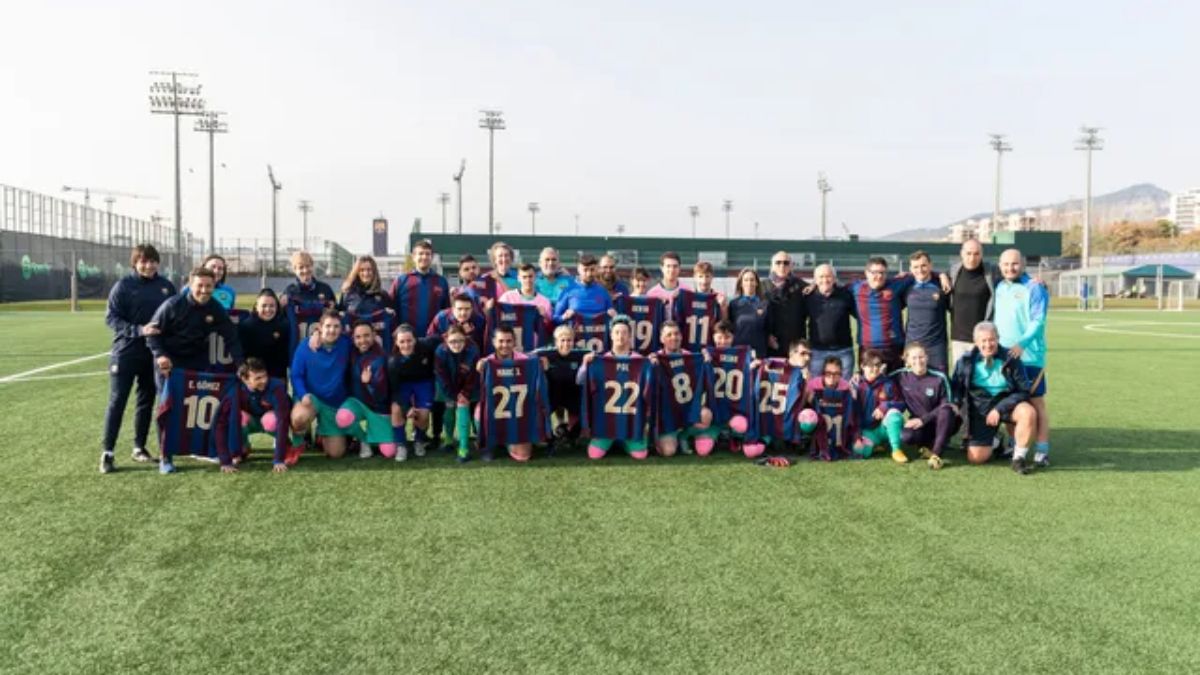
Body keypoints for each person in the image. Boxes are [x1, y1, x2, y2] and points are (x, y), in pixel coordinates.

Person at [99, 244, 177, 474]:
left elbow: (174, 314)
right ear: (135, 263)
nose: (148, 265)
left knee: (146, 401)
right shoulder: (123, 286)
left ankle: (139, 448)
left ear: (158, 263)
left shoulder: (166, 286)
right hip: (125, 353)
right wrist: (138, 330)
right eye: (143, 261)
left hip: (153, 355)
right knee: (117, 401)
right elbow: (111, 318)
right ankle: (108, 452)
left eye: (152, 261)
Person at [950, 321, 1038, 474]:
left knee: (1028, 412)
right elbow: (956, 387)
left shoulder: (1011, 358)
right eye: (983, 340)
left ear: (998, 338)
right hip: (979, 407)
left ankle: (1018, 459)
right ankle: (996, 441)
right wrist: (956, 404)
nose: (988, 344)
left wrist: (999, 408)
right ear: (976, 342)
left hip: (1006, 403)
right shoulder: (965, 360)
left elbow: (1024, 390)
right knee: (976, 458)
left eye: (992, 339)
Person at [993, 248, 1051, 468]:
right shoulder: (999, 286)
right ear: (1000, 265)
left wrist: (1022, 344)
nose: (1010, 268)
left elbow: (1038, 321)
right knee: (1010, 403)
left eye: (1015, 264)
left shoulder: (1034, 287)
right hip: (1005, 357)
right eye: (1006, 264)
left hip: (1029, 357)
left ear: (1023, 264)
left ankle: (1042, 450)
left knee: (1037, 404)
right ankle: (1015, 445)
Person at [146, 267, 243, 388]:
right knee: (168, 404)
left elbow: (231, 337)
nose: (204, 290)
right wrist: (160, 355)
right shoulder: (172, 305)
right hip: (170, 360)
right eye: (200, 285)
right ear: (190, 286)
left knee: (194, 404)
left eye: (208, 286)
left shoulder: (216, 309)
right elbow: (152, 333)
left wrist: (240, 364)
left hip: (198, 362)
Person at [577, 315, 654, 460]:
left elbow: (649, 392)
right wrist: (585, 365)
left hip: (632, 422)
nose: (621, 336)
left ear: (630, 336)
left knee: (641, 455)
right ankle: (613, 440)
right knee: (594, 455)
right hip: (606, 424)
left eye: (624, 332)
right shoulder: (600, 360)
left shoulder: (640, 361)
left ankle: (624, 442)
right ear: (611, 335)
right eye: (617, 332)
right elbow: (580, 381)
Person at [289, 310, 354, 459]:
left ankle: (321, 433)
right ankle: (298, 442)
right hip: (312, 399)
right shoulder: (306, 346)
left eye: (336, 326)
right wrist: (302, 393)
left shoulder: (346, 344)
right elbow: (296, 374)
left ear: (342, 328)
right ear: (320, 327)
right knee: (299, 418)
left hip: (334, 404)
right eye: (328, 326)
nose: (332, 330)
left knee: (336, 454)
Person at [476, 324, 544, 462]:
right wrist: (480, 369)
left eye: (508, 341)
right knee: (480, 412)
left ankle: (507, 442)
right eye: (501, 341)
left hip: (518, 413)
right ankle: (488, 445)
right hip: (495, 410)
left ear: (514, 342)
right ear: (494, 342)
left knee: (523, 456)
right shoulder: (488, 362)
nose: (505, 345)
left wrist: (542, 362)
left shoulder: (524, 361)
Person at [650, 321, 716, 457]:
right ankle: (665, 438)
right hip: (667, 415)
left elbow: (703, 382)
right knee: (668, 452)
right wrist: (650, 366)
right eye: (669, 335)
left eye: (676, 334)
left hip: (687, 409)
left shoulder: (691, 357)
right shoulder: (656, 358)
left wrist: (705, 359)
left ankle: (684, 435)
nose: (674, 337)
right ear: (661, 339)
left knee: (706, 415)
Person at [338, 321, 398, 460]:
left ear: (374, 336)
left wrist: (369, 382)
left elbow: (382, 395)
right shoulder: (351, 350)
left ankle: (375, 434)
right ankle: (363, 440)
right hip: (356, 402)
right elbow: (336, 335)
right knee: (343, 418)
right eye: (358, 337)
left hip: (378, 407)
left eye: (366, 336)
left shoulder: (381, 358)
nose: (362, 340)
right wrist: (317, 333)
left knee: (389, 452)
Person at [894, 343, 959, 470]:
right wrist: (858, 374)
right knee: (906, 436)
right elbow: (880, 379)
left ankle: (936, 454)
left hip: (941, 422)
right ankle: (927, 446)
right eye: (914, 358)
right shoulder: (901, 376)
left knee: (946, 411)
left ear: (927, 357)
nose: (918, 361)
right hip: (919, 424)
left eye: (921, 357)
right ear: (907, 361)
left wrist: (923, 420)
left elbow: (947, 405)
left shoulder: (939, 377)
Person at [849, 256, 914, 373]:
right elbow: (832, 287)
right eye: (874, 272)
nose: (878, 276)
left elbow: (920, 273)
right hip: (868, 348)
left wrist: (940, 275)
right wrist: (813, 285)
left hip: (894, 347)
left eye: (882, 273)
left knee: (895, 386)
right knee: (870, 386)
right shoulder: (856, 287)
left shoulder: (896, 284)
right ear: (866, 273)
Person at [708, 321, 763, 457]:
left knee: (741, 425)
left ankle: (734, 436)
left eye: (727, 337)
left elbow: (750, 369)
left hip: (734, 402)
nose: (723, 341)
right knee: (704, 449)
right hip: (714, 403)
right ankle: (714, 436)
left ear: (733, 338)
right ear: (713, 337)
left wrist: (754, 364)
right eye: (719, 337)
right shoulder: (707, 353)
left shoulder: (743, 354)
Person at [387, 324, 441, 460]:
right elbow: (395, 389)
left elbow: (445, 338)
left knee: (423, 413)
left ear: (415, 340)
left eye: (409, 340)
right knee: (396, 409)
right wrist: (407, 408)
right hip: (403, 385)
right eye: (402, 342)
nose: (406, 345)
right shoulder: (393, 361)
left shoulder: (426, 344)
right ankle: (401, 444)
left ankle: (419, 440)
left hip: (424, 382)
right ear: (396, 343)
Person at [234, 357, 295, 472]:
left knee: (271, 420)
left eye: (265, 376)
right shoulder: (236, 389)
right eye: (258, 378)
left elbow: (282, 419)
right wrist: (233, 451)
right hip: (251, 420)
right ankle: (242, 447)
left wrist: (278, 459)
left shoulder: (276, 387)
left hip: (269, 421)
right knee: (237, 416)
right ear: (244, 379)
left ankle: (285, 445)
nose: (264, 380)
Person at [537, 324, 590, 454]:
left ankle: (569, 435)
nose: (566, 344)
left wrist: (587, 362)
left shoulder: (581, 354)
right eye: (562, 340)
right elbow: (524, 357)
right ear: (556, 341)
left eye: (569, 340)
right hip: (552, 394)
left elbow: (601, 356)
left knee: (586, 414)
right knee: (539, 414)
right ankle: (551, 437)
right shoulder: (545, 353)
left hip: (573, 393)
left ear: (573, 341)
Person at [945, 238, 998, 368]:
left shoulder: (991, 271)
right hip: (959, 338)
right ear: (962, 254)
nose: (972, 258)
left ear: (982, 254)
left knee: (983, 379)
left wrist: (1032, 280)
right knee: (960, 380)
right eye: (968, 253)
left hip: (983, 339)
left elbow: (1013, 273)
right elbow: (933, 276)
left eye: (976, 254)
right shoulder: (954, 272)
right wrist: (941, 276)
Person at [433, 325, 481, 461]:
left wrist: (464, 394)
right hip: (448, 385)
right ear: (446, 340)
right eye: (452, 341)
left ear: (465, 339)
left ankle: (464, 449)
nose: (456, 344)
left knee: (462, 408)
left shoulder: (473, 349)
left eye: (460, 341)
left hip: (468, 385)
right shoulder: (440, 351)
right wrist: (453, 395)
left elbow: (474, 375)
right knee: (449, 407)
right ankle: (448, 440)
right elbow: (442, 376)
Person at [850, 349, 907, 463]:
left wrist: (885, 406)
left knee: (894, 414)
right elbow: (850, 414)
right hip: (866, 431)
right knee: (860, 451)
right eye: (870, 365)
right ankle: (875, 445)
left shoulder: (888, 383)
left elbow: (901, 403)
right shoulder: (855, 385)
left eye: (877, 365)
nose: (875, 369)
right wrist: (856, 436)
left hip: (883, 427)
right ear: (862, 366)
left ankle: (896, 450)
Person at [390, 238, 450, 339]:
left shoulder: (441, 282)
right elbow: (391, 309)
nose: (424, 257)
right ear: (413, 257)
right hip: (407, 341)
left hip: (433, 339)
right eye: (421, 254)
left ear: (432, 257)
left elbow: (446, 312)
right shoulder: (401, 281)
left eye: (428, 254)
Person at [803, 263, 855, 378]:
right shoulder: (808, 297)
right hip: (817, 351)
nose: (825, 280)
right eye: (821, 277)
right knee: (815, 387)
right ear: (815, 280)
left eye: (828, 276)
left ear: (834, 279)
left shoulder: (846, 295)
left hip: (844, 350)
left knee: (844, 387)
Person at [902, 250, 951, 373]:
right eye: (916, 267)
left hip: (936, 345)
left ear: (930, 265)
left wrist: (942, 275)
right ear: (911, 269)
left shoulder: (942, 285)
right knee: (913, 382)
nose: (920, 270)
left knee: (940, 380)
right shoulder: (905, 285)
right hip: (912, 344)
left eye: (923, 265)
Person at [803, 356, 858, 461]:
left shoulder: (845, 387)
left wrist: (853, 397)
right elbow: (804, 405)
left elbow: (851, 414)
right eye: (828, 373)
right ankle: (806, 442)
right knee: (806, 415)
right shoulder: (813, 384)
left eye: (836, 374)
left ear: (841, 374)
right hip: (814, 424)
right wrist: (808, 397)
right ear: (823, 373)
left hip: (837, 430)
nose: (832, 377)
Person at [238, 289, 290, 379]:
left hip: (277, 376)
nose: (268, 309)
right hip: (254, 377)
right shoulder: (247, 326)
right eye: (264, 306)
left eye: (272, 306)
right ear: (257, 307)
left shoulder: (284, 325)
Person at [765, 251, 808, 358]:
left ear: (791, 266)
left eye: (786, 263)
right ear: (772, 265)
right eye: (778, 263)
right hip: (770, 347)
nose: (782, 266)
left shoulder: (801, 286)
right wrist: (766, 336)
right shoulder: (761, 287)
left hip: (796, 347)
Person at [554, 254, 614, 322]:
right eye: (585, 270)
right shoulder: (568, 291)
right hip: (574, 332)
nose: (589, 274)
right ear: (578, 269)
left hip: (600, 332)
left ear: (596, 269)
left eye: (592, 270)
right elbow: (555, 318)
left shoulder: (603, 292)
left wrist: (615, 316)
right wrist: (564, 317)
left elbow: (612, 315)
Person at [727, 267, 769, 358]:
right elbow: (729, 327)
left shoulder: (765, 304)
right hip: (738, 351)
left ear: (757, 283)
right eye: (746, 280)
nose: (749, 283)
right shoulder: (733, 304)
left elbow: (769, 328)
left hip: (759, 352)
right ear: (741, 283)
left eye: (752, 280)